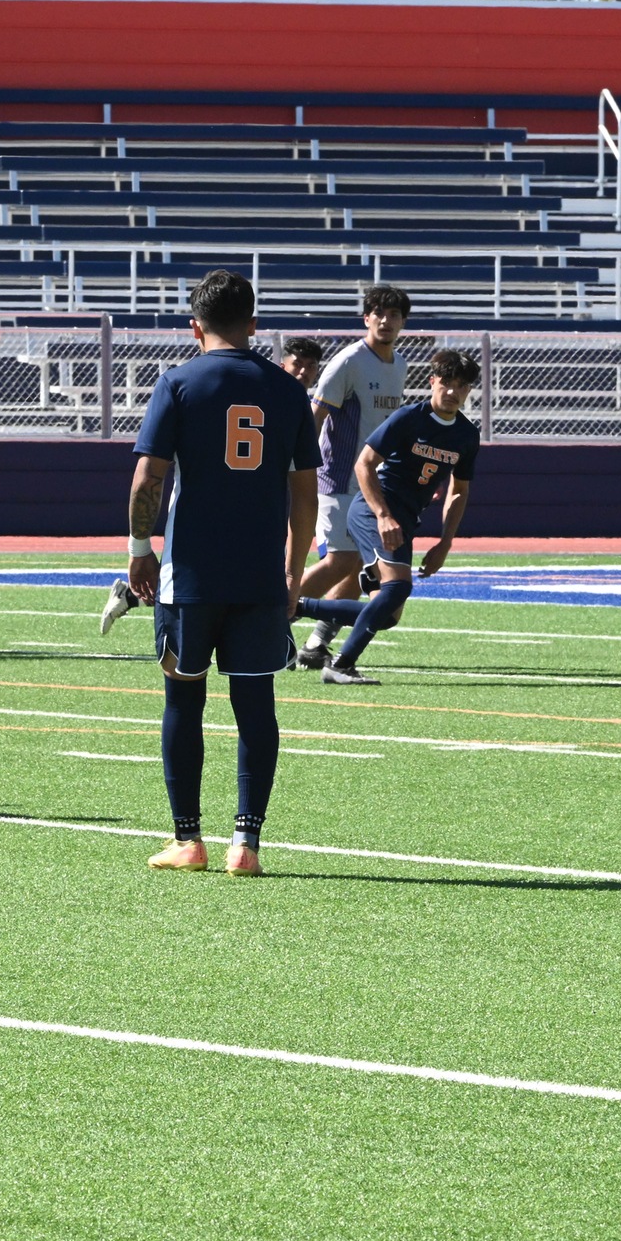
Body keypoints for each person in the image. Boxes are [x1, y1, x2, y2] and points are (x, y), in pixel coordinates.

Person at [123, 270, 317, 877]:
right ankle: (247, 845)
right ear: (254, 324)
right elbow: (306, 495)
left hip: (191, 576)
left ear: (194, 326)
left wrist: (138, 547)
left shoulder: (178, 383)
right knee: (255, 703)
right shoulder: (287, 391)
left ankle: (188, 839)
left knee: (183, 697)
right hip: (259, 574)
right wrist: (294, 571)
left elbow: (147, 479)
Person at [291, 347, 483, 685]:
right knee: (397, 588)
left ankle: (297, 607)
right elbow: (363, 463)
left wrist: (445, 544)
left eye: (462, 386)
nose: (453, 392)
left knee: (388, 614)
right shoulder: (410, 417)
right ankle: (340, 665)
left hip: (405, 520)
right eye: (447, 382)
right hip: (372, 512)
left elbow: (458, 491)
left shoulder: (466, 434)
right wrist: (381, 514)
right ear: (432, 381)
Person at [297, 284, 411, 667]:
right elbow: (317, 415)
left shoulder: (399, 364)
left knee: (364, 567)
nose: (386, 320)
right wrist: (302, 469)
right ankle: (274, 615)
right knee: (343, 563)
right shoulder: (349, 361)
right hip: (338, 478)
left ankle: (316, 642)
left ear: (403, 322)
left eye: (394, 314)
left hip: (373, 486)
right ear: (366, 318)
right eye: (378, 312)